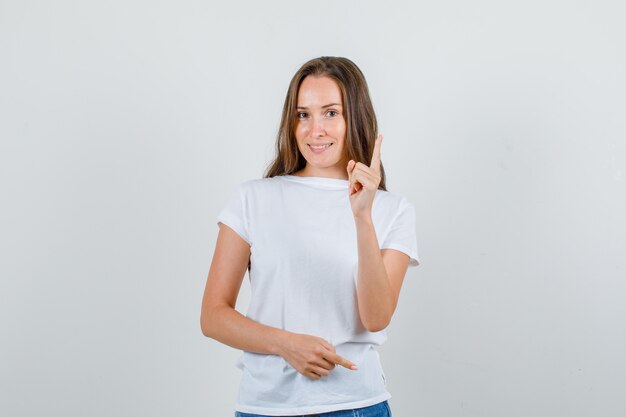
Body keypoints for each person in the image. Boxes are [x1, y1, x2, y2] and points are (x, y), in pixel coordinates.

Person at [200, 56, 420, 417]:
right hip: (263, 407)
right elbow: (213, 316)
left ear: (355, 118)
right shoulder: (253, 198)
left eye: (330, 113)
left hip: (354, 406)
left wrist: (362, 216)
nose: (315, 129)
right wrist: (285, 345)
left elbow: (376, 317)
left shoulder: (391, 210)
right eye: (303, 114)